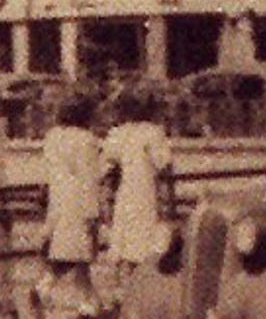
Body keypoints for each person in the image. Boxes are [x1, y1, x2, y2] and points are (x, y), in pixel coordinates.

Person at [100, 89, 176, 304]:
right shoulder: (153, 133)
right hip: (146, 196)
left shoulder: (117, 134)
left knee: (125, 250)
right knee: (147, 249)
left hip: (125, 197)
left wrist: (106, 202)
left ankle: (126, 297)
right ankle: (143, 300)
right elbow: (165, 170)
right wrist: (170, 205)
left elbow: (107, 172)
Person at [39, 94, 108, 319]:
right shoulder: (87, 140)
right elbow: (89, 178)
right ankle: (81, 302)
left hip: (58, 199)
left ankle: (89, 303)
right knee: (80, 253)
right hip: (79, 201)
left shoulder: (53, 137)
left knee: (71, 254)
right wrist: (94, 213)